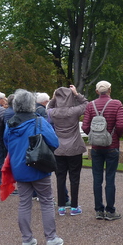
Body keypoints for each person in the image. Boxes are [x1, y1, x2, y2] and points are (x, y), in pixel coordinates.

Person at [4, 89, 62, 245]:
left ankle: (27, 239)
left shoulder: (10, 124)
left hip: (19, 167)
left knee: (24, 203)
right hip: (38, 166)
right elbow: (54, 142)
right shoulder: (39, 122)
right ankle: (51, 238)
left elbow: (6, 144)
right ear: (32, 104)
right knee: (46, 201)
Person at [82, 80, 123, 220]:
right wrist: (114, 136)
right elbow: (120, 124)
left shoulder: (91, 105)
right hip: (112, 146)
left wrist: (94, 136)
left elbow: (85, 126)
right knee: (110, 178)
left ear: (97, 91)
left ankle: (99, 210)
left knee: (97, 179)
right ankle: (110, 211)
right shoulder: (117, 104)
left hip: (96, 147)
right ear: (110, 90)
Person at [47, 85, 88, 216]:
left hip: (59, 148)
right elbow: (87, 104)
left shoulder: (53, 112)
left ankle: (61, 207)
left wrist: (54, 98)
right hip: (75, 147)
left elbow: (47, 108)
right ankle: (74, 206)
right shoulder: (74, 110)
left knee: (60, 178)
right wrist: (76, 94)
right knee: (74, 178)